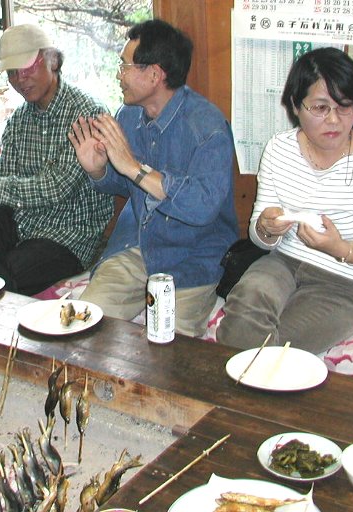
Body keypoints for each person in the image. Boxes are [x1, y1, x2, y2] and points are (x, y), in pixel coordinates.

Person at [69, 19, 237, 337]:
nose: (119, 74)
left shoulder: (208, 127)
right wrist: (99, 169)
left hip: (193, 259)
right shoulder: (128, 116)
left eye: (125, 65)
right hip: (139, 248)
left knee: (167, 354)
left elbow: (201, 208)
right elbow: (126, 184)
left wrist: (134, 167)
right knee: (83, 325)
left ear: (155, 74)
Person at [217, 47, 353, 354]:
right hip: (283, 262)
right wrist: (266, 228)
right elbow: (261, 238)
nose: (334, 120)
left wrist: (338, 248)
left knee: (276, 349)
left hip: (347, 280)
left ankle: (239, 396)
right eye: (320, 107)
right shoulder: (279, 148)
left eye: (345, 107)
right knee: (243, 310)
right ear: (296, 105)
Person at [0, 24, 113, 296]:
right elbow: (3, 178)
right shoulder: (19, 119)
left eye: (28, 67)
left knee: (2, 271)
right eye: (12, 72)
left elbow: (56, 187)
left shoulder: (87, 113)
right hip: (22, 224)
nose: (21, 79)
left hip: (67, 237)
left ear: (53, 60)